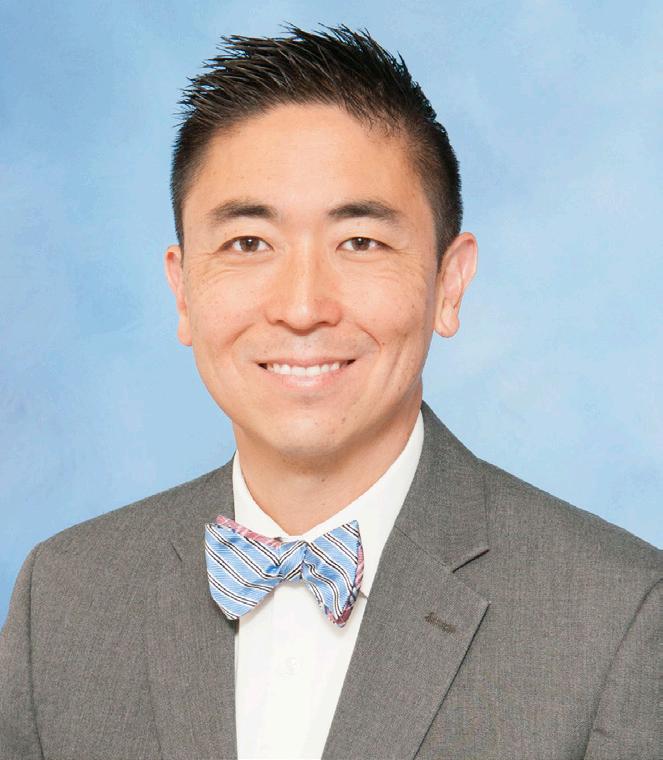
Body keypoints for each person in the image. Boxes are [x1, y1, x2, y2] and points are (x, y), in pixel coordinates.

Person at [1, 23, 660, 760]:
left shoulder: (620, 617)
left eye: (360, 242)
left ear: (449, 284)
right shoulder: (64, 600)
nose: (302, 307)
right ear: (182, 290)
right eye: (249, 243)